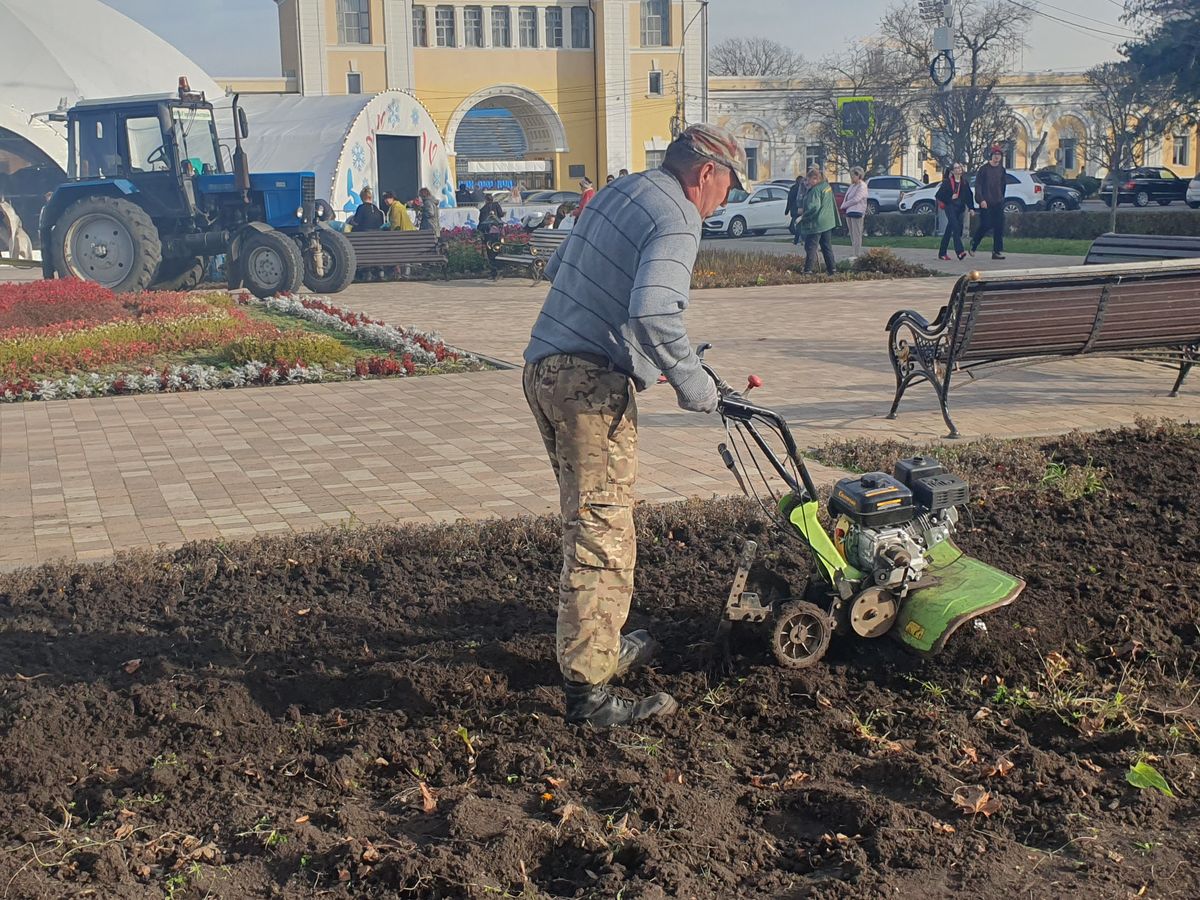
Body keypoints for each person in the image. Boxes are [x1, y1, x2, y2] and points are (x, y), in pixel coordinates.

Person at [523, 123, 747, 726]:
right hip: (588, 385)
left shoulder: (622, 192)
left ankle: (599, 647)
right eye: (728, 186)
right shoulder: (679, 215)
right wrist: (695, 385)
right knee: (604, 532)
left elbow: (560, 269)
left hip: (545, 369)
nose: (725, 200)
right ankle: (589, 695)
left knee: (590, 518)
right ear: (706, 174)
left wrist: (651, 354)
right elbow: (653, 310)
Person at [970, 145, 1007, 260]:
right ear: (991, 156)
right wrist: (981, 200)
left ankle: (996, 251)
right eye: (995, 155)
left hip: (998, 201)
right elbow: (978, 185)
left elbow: (1003, 185)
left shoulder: (1002, 170)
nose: (997, 157)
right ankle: (974, 243)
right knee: (986, 224)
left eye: (999, 155)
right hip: (986, 202)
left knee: (999, 226)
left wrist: (1001, 197)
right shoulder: (984, 169)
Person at [799, 167, 837, 275]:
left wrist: (803, 217)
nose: (807, 182)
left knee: (811, 246)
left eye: (808, 179)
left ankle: (808, 270)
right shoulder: (826, 187)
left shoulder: (815, 190)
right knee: (827, 246)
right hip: (828, 222)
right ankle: (832, 269)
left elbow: (814, 207)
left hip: (817, 223)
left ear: (815, 179)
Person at [936, 162, 974, 261]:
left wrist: (971, 208)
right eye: (956, 168)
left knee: (949, 230)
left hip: (959, 208)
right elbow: (939, 196)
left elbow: (969, 196)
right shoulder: (947, 182)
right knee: (956, 228)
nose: (959, 169)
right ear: (952, 171)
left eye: (960, 168)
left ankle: (942, 253)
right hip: (950, 207)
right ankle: (960, 252)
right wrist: (950, 197)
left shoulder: (964, 182)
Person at [842, 167, 868, 260]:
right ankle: (853, 252)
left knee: (857, 234)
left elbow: (856, 199)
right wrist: (844, 206)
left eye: (853, 176)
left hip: (857, 211)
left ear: (859, 175)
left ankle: (857, 254)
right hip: (849, 211)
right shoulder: (852, 186)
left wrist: (844, 205)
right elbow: (847, 197)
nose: (852, 177)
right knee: (852, 234)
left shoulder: (862, 186)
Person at [785, 173, 807, 246]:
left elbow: (789, 200)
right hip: (800, 208)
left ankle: (798, 240)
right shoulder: (804, 188)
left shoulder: (794, 188)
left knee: (798, 226)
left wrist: (787, 210)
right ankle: (799, 240)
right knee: (799, 225)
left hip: (795, 209)